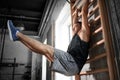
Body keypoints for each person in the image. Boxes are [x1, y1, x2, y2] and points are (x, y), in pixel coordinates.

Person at [7, 0, 90, 76]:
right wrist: (75, 12)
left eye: (75, 26)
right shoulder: (76, 34)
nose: (73, 27)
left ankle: (17, 34)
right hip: (71, 66)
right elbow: (75, 21)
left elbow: (84, 12)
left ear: (80, 26)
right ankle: (18, 38)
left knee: (47, 48)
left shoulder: (84, 32)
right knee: (43, 51)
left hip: (73, 64)